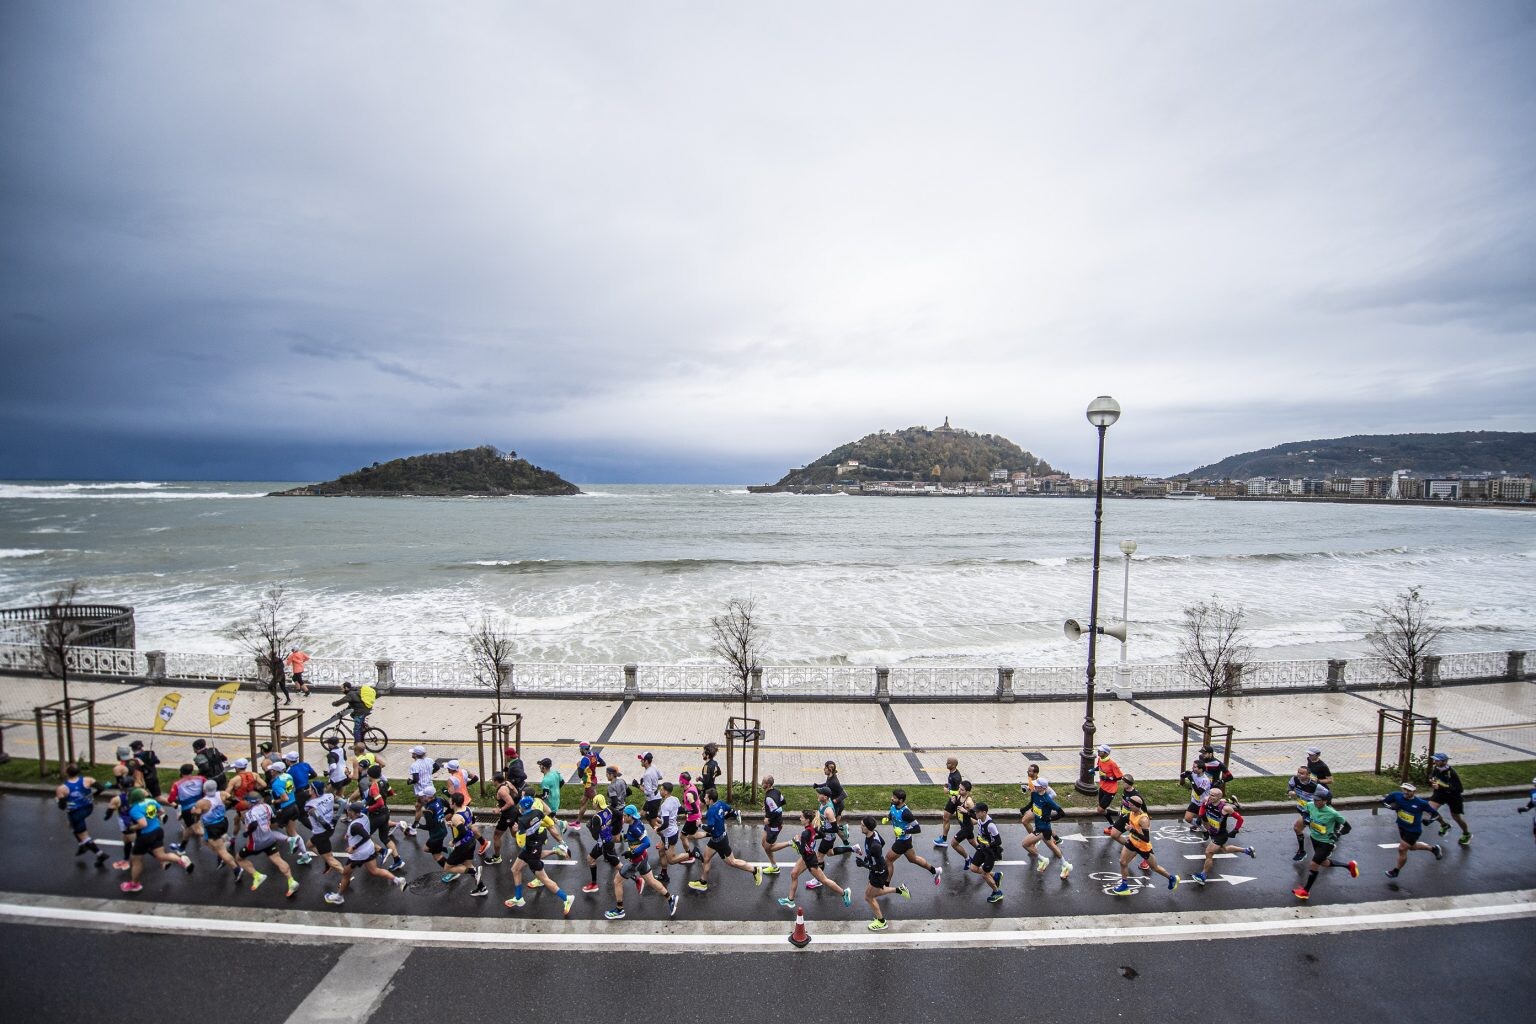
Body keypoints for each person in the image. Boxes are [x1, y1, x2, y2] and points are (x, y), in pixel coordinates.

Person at [325, 801, 407, 904]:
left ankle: (339, 897)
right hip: (369, 849)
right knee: (374, 870)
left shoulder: (356, 826)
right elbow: (361, 832)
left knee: (346, 874)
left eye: (349, 810)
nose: (347, 811)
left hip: (358, 854)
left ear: (353, 812)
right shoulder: (363, 816)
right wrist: (348, 834)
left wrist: (353, 847)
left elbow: (366, 836)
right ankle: (398, 880)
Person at [504, 796, 575, 916]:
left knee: (545, 880)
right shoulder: (538, 812)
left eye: (520, 805)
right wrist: (537, 824)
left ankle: (566, 898)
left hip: (530, 851)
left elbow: (521, 843)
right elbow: (550, 822)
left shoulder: (522, 821)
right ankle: (518, 898)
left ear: (522, 807)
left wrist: (517, 831)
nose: (519, 807)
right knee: (515, 869)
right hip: (535, 845)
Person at [608, 804, 677, 921]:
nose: (623, 817)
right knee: (651, 881)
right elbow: (633, 837)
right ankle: (671, 899)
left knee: (617, 881)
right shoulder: (635, 824)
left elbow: (647, 842)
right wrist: (621, 837)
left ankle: (619, 910)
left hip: (636, 861)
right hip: (642, 858)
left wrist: (632, 852)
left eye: (625, 815)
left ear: (630, 816)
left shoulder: (635, 828)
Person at [120, 786, 193, 893]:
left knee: (136, 860)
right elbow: (161, 811)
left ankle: (134, 884)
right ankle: (181, 860)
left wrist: (132, 827)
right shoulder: (151, 801)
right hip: (157, 830)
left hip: (145, 835)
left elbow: (143, 824)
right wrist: (152, 817)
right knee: (161, 855)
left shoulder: (134, 809)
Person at [689, 787, 763, 891]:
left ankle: (755, 870)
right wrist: (731, 815)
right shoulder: (720, 803)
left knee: (732, 862)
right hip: (715, 839)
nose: (704, 799)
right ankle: (703, 882)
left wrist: (700, 825)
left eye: (705, 798)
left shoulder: (711, 811)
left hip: (720, 841)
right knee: (706, 859)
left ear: (711, 800)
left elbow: (710, 829)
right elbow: (730, 810)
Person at [777, 809, 851, 910]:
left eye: (801, 817)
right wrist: (812, 837)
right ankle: (790, 900)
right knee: (794, 874)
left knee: (824, 880)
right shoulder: (812, 828)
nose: (800, 818)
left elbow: (801, 850)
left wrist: (797, 841)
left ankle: (844, 893)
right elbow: (823, 835)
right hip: (806, 857)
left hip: (810, 860)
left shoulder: (805, 833)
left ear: (807, 820)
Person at [1292, 788, 1358, 900]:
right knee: (1324, 862)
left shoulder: (1333, 813)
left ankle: (1305, 891)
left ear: (1325, 801)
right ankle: (1349, 866)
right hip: (1314, 838)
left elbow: (1347, 827)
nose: (1315, 802)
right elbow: (1305, 812)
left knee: (1314, 864)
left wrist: (1337, 834)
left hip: (1326, 842)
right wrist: (1306, 818)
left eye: (1318, 800)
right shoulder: (1310, 805)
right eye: (1314, 800)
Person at [1110, 794, 1179, 896]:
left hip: (1143, 847)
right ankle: (1124, 886)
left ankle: (1172, 878)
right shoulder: (1132, 812)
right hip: (1132, 842)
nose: (1128, 806)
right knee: (1123, 862)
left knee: (1154, 868)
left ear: (1136, 806)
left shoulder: (1143, 819)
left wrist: (1132, 830)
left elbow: (1146, 839)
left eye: (1130, 805)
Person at [236, 790, 299, 897]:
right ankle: (291, 881)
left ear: (250, 802)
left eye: (246, 801)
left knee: (239, 858)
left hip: (255, 844)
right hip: (269, 839)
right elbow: (273, 821)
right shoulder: (267, 807)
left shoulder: (249, 813)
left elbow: (253, 824)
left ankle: (257, 876)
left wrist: (247, 833)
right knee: (277, 859)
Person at [855, 816, 910, 930]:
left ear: (868, 828)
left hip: (878, 872)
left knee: (868, 897)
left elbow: (879, 867)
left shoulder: (874, 846)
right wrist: (869, 857)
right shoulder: (874, 833)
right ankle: (900, 890)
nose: (861, 827)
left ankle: (881, 922)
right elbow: (883, 842)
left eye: (863, 825)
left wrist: (864, 864)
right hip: (876, 870)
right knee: (874, 892)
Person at [1191, 788, 1255, 884]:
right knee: (1224, 849)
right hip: (1213, 831)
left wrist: (1235, 830)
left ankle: (1203, 876)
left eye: (1213, 795)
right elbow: (1203, 806)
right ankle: (1247, 850)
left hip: (1221, 834)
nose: (1210, 796)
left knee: (1208, 853)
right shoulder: (1207, 800)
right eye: (1210, 794)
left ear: (1219, 797)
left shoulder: (1226, 808)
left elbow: (1240, 819)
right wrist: (1200, 816)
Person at [1381, 781, 1444, 877]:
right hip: (1401, 827)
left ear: (1414, 791)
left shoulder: (1421, 803)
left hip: (1413, 831)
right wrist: (1392, 807)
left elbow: (1435, 815)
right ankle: (1434, 849)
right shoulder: (1396, 795)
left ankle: (1395, 871)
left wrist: (1429, 821)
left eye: (1409, 791)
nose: (1406, 792)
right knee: (1412, 847)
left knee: (1402, 849)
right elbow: (1384, 802)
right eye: (1404, 789)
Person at [883, 788, 940, 887]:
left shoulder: (906, 813)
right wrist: (888, 818)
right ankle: (935, 870)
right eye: (892, 796)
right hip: (901, 839)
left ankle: (886, 885)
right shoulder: (893, 805)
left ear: (901, 800)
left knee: (888, 860)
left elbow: (917, 828)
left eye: (894, 798)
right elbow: (892, 813)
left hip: (903, 841)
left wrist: (904, 831)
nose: (892, 798)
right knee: (913, 859)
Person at [56, 762, 109, 866]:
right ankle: (81, 845)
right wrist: (93, 796)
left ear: (67, 773)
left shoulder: (62, 789)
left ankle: (100, 854)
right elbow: (101, 788)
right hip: (88, 808)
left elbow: (62, 807)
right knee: (71, 825)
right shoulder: (88, 780)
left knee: (83, 835)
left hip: (76, 813)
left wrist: (59, 800)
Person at [1022, 778, 1071, 879]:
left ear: (1043, 788)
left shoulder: (1047, 800)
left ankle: (1043, 860)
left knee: (1025, 844)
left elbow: (1061, 813)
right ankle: (1065, 864)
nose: (1034, 786)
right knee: (1052, 846)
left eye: (1037, 785)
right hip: (1039, 826)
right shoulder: (1034, 794)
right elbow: (1032, 803)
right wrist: (1025, 809)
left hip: (1043, 829)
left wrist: (1049, 818)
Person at [443, 793, 488, 897]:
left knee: (447, 868)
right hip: (472, 841)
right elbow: (471, 822)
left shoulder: (455, 817)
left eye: (450, 801)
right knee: (467, 865)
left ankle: (474, 871)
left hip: (463, 845)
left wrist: (454, 841)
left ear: (454, 803)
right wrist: (454, 825)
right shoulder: (467, 809)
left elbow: (462, 832)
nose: (449, 802)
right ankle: (481, 888)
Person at [192, 780, 240, 874]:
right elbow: (235, 801)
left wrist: (193, 812)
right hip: (223, 822)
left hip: (212, 827)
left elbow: (197, 815)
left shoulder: (201, 802)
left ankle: (236, 869)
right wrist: (226, 807)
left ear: (204, 789)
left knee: (221, 851)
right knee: (205, 841)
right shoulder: (223, 794)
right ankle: (222, 845)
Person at [1427, 752, 1471, 845]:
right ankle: (1444, 825)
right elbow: (1432, 776)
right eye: (1435, 760)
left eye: (1437, 760)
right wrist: (1432, 781)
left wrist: (1440, 786)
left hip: (1453, 797)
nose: (1435, 762)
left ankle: (1466, 834)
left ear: (1444, 761)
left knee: (1456, 817)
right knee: (1430, 809)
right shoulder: (1436, 768)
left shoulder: (1451, 773)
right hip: (1440, 794)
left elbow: (1459, 789)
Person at [304, 779, 346, 876]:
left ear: (314, 791)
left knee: (330, 859)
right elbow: (343, 803)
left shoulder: (310, 805)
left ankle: (346, 876)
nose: (308, 789)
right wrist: (335, 819)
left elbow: (318, 817)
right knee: (309, 845)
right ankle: (327, 859)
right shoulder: (329, 796)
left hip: (321, 833)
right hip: (330, 828)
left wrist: (326, 825)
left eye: (310, 788)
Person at [165, 763, 209, 853]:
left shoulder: (177, 784)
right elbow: (207, 789)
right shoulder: (201, 779)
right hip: (201, 805)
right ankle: (182, 847)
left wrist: (179, 798)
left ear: (181, 772)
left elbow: (170, 799)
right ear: (191, 771)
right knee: (188, 828)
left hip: (188, 810)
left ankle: (218, 840)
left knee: (198, 830)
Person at [968, 804, 1006, 904]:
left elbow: (998, 841)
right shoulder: (980, 819)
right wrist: (965, 811)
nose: (975, 813)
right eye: (975, 811)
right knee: (973, 868)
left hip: (991, 852)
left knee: (985, 874)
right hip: (982, 848)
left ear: (984, 812)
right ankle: (995, 875)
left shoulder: (990, 825)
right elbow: (972, 814)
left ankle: (997, 892)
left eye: (977, 812)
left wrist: (989, 845)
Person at [581, 795, 619, 894]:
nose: (592, 803)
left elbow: (595, 836)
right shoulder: (609, 810)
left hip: (603, 844)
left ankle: (637, 879)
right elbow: (618, 816)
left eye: (593, 802)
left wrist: (590, 827)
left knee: (618, 865)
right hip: (610, 840)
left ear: (597, 804)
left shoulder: (596, 818)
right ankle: (593, 884)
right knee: (591, 859)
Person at [1286, 764, 1320, 861]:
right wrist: (1290, 792)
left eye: (1302, 773)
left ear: (1308, 775)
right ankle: (1328, 838)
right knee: (1312, 826)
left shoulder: (1314, 785)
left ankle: (1302, 851)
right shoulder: (1294, 779)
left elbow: (1327, 795)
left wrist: (1317, 805)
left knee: (1297, 828)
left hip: (1310, 810)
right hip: (1301, 807)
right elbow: (1289, 788)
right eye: (1298, 772)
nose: (1299, 775)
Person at [761, 774, 793, 874]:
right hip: (771, 824)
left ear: (768, 784)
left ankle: (791, 843)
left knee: (768, 848)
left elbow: (778, 811)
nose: (761, 783)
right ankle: (774, 866)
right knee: (763, 843)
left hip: (774, 825)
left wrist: (769, 819)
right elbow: (782, 801)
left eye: (763, 782)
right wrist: (767, 807)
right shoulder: (777, 791)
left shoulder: (769, 797)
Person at [817, 761, 853, 849]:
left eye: (825, 768)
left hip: (837, 806)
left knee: (834, 827)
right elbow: (827, 784)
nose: (824, 769)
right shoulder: (830, 777)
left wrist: (835, 800)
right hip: (836, 805)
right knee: (834, 826)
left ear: (830, 769)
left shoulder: (834, 781)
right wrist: (818, 785)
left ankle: (843, 829)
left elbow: (844, 794)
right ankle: (846, 841)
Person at [573, 742, 606, 828]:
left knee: (598, 804)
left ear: (584, 749)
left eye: (580, 749)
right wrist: (593, 766)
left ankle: (606, 821)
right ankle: (577, 822)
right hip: (593, 781)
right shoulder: (595, 754)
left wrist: (578, 766)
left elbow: (580, 775)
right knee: (583, 801)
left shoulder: (585, 759)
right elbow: (603, 763)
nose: (580, 751)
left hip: (589, 784)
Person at [406, 745, 435, 834]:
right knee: (418, 806)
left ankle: (432, 827)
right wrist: (428, 774)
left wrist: (410, 782)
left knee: (427, 810)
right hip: (430, 787)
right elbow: (437, 767)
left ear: (415, 755)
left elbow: (416, 779)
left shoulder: (415, 765)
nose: (412, 754)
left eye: (413, 753)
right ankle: (414, 826)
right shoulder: (429, 760)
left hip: (422, 791)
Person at [1094, 744, 1124, 831]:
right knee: (1101, 809)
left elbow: (1120, 777)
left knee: (1100, 810)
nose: (1098, 752)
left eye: (1100, 751)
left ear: (1106, 753)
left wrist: (1108, 778)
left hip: (1110, 790)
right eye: (1098, 750)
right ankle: (1113, 822)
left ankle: (1117, 816)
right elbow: (1099, 767)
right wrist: (1093, 770)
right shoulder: (1100, 759)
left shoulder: (1112, 764)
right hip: (1102, 787)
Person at [945, 779, 978, 857]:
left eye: (962, 790)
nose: (959, 790)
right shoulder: (959, 795)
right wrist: (953, 800)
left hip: (967, 827)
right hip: (963, 825)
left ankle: (967, 858)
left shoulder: (969, 802)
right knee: (973, 842)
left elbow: (976, 816)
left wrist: (966, 811)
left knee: (953, 843)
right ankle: (988, 854)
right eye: (959, 788)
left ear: (967, 792)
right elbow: (952, 793)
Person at [936, 756, 964, 847]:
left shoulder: (956, 777)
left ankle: (978, 822)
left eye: (948, 763)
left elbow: (959, 791)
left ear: (954, 765)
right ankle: (943, 839)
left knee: (963, 821)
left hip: (955, 800)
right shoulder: (952, 773)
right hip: (952, 799)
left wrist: (948, 791)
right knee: (946, 818)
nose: (946, 764)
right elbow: (954, 786)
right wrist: (948, 785)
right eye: (947, 762)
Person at [679, 771, 706, 861]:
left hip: (693, 818)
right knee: (692, 835)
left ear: (683, 782)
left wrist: (685, 811)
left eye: (680, 781)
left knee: (683, 836)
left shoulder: (689, 795)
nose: (679, 782)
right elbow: (699, 792)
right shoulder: (691, 785)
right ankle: (710, 833)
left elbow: (694, 810)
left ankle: (690, 856)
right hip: (697, 816)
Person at [634, 752, 664, 829]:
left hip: (653, 800)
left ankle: (666, 833)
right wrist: (652, 780)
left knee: (653, 823)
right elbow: (660, 776)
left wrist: (638, 786)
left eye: (642, 760)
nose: (640, 761)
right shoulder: (653, 766)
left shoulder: (647, 774)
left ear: (646, 761)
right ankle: (666, 823)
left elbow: (648, 792)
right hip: (655, 796)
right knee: (643, 813)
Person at [538, 757, 565, 832]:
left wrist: (536, 797)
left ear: (543, 767)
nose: (539, 767)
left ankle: (540, 834)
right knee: (551, 817)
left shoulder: (545, 780)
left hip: (550, 804)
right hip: (556, 800)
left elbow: (545, 796)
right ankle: (561, 824)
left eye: (540, 765)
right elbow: (562, 782)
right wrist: (555, 789)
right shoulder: (555, 773)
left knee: (545, 822)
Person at [1518, 776, 1536, 847]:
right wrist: (1526, 808)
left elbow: (1532, 803)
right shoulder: (1533, 793)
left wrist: (1526, 808)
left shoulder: (1533, 792)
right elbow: (1532, 803)